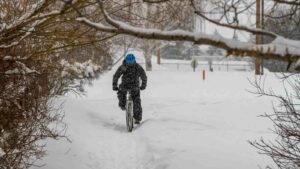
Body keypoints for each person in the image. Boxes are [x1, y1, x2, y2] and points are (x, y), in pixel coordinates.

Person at [112, 53, 147, 124]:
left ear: (134, 61)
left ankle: (137, 118)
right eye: (129, 61)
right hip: (124, 86)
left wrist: (143, 85)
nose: (130, 63)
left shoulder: (137, 67)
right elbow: (116, 76)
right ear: (126, 61)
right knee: (121, 95)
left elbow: (144, 76)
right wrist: (114, 85)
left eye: (131, 61)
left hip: (135, 87)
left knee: (137, 102)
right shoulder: (123, 67)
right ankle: (122, 105)